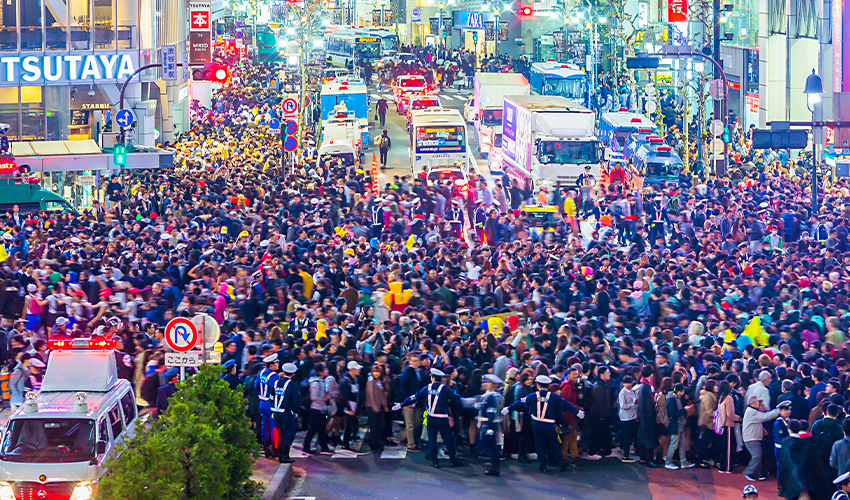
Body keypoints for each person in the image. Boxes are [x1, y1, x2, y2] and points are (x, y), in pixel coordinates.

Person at [502, 374, 584, 472]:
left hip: (537, 424)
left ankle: (542, 464)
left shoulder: (532, 396)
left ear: (538, 385)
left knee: (539, 444)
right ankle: (560, 463)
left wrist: (508, 408)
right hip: (549, 424)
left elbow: (520, 403)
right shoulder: (554, 397)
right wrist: (577, 412)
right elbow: (566, 405)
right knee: (554, 444)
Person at [393, 368, 464, 468]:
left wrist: (401, 404)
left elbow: (414, 397)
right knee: (448, 439)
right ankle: (453, 460)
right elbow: (457, 399)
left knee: (432, 439)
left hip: (431, 417)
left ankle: (434, 461)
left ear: (432, 378)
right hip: (442, 418)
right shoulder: (445, 389)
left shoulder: (427, 388)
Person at [743, 395, 780, 481]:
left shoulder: (751, 411)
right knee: (757, 456)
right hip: (751, 438)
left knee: (758, 455)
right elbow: (765, 417)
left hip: (753, 437)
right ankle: (749, 473)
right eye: (757, 402)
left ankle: (755, 474)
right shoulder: (751, 412)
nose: (758, 404)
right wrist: (778, 411)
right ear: (752, 403)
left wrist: (762, 430)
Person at [272, 362, 301, 464]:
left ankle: (280, 455)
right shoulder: (292, 385)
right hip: (287, 413)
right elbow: (296, 400)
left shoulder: (276, 382)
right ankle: (285, 456)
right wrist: (295, 411)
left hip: (276, 412)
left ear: (283, 372)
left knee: (280, 434)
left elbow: (271, 396)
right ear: (293, 374)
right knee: (288, 433)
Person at [303, 363, 333, 455]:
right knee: (312, 429)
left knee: (321, 429)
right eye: (325, 370)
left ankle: (324, 447)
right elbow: (313, 397)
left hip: (320, 408)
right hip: (315, 409)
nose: (327, 371)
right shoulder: (315, 383)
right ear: (320, 372)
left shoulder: (321, 381)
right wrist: (323, 399)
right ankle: (306, 447)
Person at [665, 383, 694, 470]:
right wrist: (684, 410)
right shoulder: (672, 401)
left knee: (682, 444)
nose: (682, 393)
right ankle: (668, 462)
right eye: (681, 391)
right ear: (676, 391)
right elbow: (672, 415)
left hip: (680, 425)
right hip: (675, 426)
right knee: (674, 444)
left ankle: (684, 461)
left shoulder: (677, 399)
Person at [256, 353, 280, 458]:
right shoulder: (274, 376)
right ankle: (275, 449)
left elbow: (256, 386)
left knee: (264, 425)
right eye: (276, 363)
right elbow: (276, 391)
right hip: (270, 403)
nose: (278, 364)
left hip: (262, 401)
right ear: (271, 365)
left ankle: (266, 449)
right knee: (274, 426)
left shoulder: (260, 373)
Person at [618, 374, 639, 463]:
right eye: (627, 383)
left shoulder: (631, 391)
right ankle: (625, 455)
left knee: (630, 436)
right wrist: (633, 404)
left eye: (630, 383)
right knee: (627, 436)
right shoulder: (622, 392)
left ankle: (627, 453)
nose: (629, 385)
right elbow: (623, 405)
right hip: (626, 417)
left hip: (632, 415)